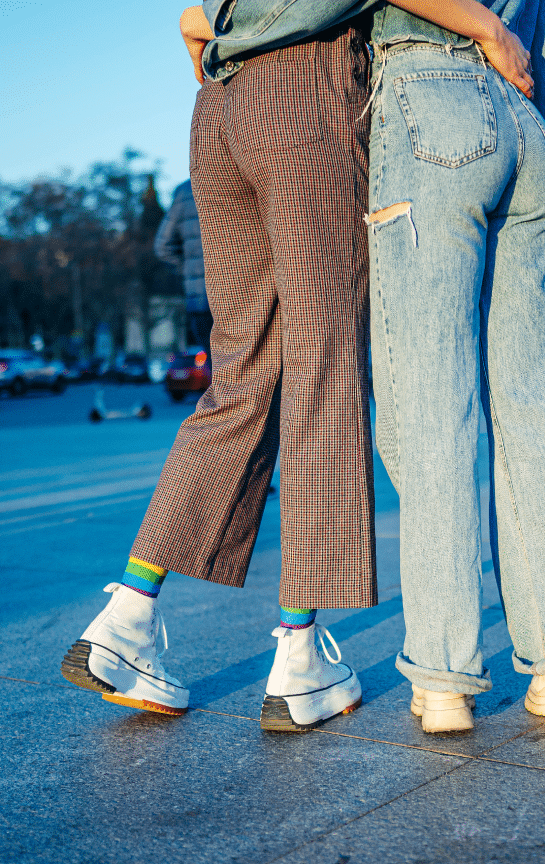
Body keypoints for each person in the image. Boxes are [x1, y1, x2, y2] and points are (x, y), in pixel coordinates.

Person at [62, 5, 378, 732]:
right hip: (307, 94)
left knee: (238, 382)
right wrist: (494, 33)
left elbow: (190, 20)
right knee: (322, 374)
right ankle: (301, 661)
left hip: (220, 108)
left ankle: (127, 616)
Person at [365, 0, 545, 731]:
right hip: (528, 125)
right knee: (534, 405)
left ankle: (443, 678)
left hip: (427, 100)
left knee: (434, 403)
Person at [154, 179, 213, 356]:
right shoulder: (238, 175)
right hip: (239, 293)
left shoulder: (185, 191)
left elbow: (162, 247)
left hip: (199, 299)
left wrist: (188, 269)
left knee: (216, 365)